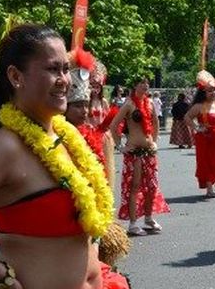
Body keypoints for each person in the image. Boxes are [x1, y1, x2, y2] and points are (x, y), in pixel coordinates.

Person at [0, 23, 129, 289]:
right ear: (16, 76)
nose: (65, 80)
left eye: (65, 69)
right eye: (52, 69)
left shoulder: (68, 136)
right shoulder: (4, 147)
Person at [64, 48, 130, 267]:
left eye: (85, 105)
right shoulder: (57, 135)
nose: (84, 111)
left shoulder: (100, 106)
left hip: (99, 146)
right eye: (77, 106)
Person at [110, 76, 169, 236]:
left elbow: (155, 123)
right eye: (142, 83)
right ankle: (133, 223)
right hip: (134, 152)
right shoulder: (129, 104)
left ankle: (148, 218)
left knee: (151, 186)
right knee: (135, 187)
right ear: (135, 86)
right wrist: (120, 146)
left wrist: (154, 142)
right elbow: (114, 125)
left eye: (147, 83)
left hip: (149, 151)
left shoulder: (150, 103)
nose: (145, 85)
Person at [184, 70, 215, 198]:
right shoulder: (199, 106)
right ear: (203, 92)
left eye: (214, 90)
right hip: (207, 139)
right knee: (208, 162)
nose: (213, 93)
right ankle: (209, 187)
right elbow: (187, 117)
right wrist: (197, 128)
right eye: (209, 91)